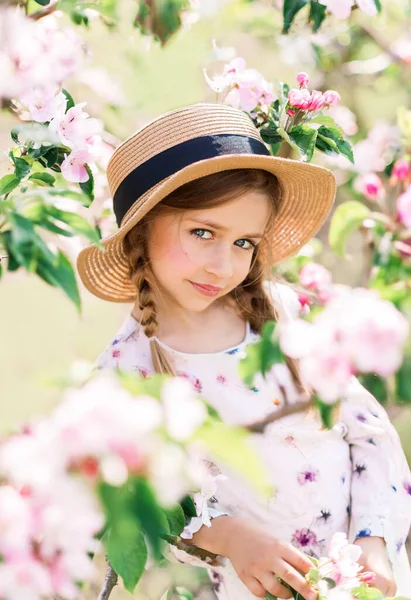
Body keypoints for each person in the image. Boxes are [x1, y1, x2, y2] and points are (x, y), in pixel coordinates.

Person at [77, 103, 411, 600]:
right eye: (203, 232)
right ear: (142, 230)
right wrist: (228, 536)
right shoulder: (128, 371)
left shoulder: (278, 316)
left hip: (364, 581)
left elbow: (367, 431)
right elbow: (143, 497)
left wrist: (374, 539)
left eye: (244, 243)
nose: (221, 264)